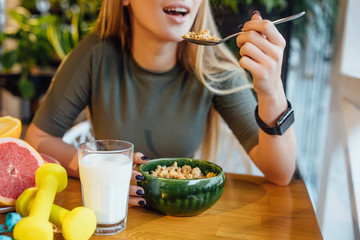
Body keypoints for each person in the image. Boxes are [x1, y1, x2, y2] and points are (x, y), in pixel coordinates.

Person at [25, 0, 296, 207]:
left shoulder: (213, 67)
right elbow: (38, 137)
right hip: (110, 212)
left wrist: (272, 91)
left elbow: (280, 173)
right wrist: (99, 168)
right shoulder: (95, 56)